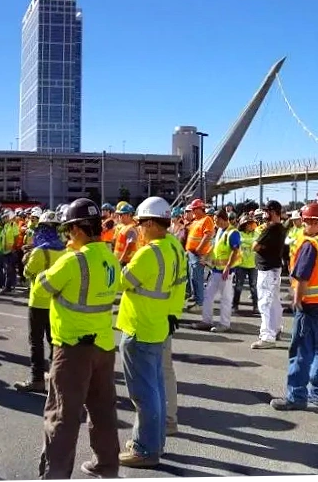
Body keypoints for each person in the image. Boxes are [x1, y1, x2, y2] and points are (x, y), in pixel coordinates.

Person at [36, 198, 122, 481]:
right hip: (104, 345)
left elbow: (42, 285)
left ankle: (56, 475)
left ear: (79, 230)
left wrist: (66, 254)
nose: (67, 236)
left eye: (69, 230)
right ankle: (107, 465)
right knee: (102, 410)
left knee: (63, 414)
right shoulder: (110, 256)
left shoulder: (73, 260)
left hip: (73, 348)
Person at [114, 197, 186, 467]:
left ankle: (145, 449)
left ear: (154, 223)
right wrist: (172, 314)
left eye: (142, 223)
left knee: (143, 394)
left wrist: (129, 254)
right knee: (156, 390)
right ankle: (155, 443)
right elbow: (179, 286)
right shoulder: (174, 247)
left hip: (140, 326)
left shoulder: (149, 252)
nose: (140, 228)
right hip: (159, 325)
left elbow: (123, 281)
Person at [271, 201, 318, 411]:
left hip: (311, 306)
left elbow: (302, 277)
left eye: (304, 222)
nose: (303, 226)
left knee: (301, 352)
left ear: (312, 222)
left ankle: (296, 396)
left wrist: (297, 300)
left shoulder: (311, 245)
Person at [13, 209, 65, 393]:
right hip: (56, 301)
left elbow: (27, 272)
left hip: (38, 302)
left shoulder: (39, 251)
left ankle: (37, 379)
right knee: (54, 341)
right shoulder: (64, 249)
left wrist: (27, 257)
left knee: (36, 341)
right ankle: (56, 379)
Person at [192, 209, 241, 333]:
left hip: (227, 272)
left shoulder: (233, 233)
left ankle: (225, 324)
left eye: (216, 220)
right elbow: (214, 246)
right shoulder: (220, 230)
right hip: (216, 270)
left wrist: (227, 267)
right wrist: (206, 257)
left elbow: (235, 251)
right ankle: (206, 321)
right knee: (208, 296)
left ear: (222, 219)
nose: (214, 223)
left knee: (225, 298)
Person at [251, 201, 287, 349]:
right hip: (275, 267)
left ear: (273, 212)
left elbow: (255, 246)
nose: (264, 214)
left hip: (267, 269)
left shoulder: (271, 228)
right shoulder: (281, 228)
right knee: (274, 301)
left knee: (265, 302)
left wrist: (261, 246)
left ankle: (267, 336)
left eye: (267, 211)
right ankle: (277, 328)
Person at [182, 199, 214, 308]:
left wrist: (199, 250)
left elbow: (207, 235)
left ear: (201, 209)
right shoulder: (196, 220)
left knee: (198, 279)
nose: (193, 211)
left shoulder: (207, 219)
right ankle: (197, 299)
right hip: (191, 253)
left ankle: (200, 303)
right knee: (192, 278)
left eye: (195, 209)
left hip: (198, 254)